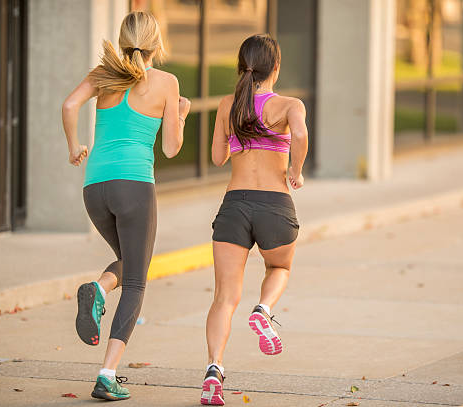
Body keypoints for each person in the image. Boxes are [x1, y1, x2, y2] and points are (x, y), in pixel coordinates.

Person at [61, 11, 190, 401]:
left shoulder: (104, 74)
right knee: (136, 280)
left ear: (122, 40)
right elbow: (170, 148)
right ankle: (107, 373)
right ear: (157, 43)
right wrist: (179, 114)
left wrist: (73, 148)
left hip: (94, 188)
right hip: (134, 188)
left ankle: (99, 289)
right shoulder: (166, 82)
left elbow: (69, 106)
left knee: (131, 263)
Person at [201, 34, 309, 405]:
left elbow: (217, 158)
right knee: (280, 267)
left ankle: (214, 368)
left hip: (234, 205)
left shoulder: (227, 105)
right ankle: (263, 309)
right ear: (275, 67)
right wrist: (295, 169)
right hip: (275, 205)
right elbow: (300, 133)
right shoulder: (289, 104)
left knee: (224, 298)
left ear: (241, 67)